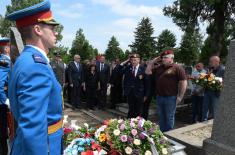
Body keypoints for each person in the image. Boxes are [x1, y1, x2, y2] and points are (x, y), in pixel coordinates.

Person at [6, 1, 63, 154]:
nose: (55, 33)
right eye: (51, 28)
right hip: (44, 146)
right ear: (38, 29)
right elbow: (33, 128)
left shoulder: (26, 59)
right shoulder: (35, 65)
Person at [145, 50, 187, 132]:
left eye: (165, 57)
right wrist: (151, 63)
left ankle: (169, 136)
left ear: (172, 58)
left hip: (170, 97)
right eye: (162, 58)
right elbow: (147, 72)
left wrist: (180, 97)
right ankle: (162, 134)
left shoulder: (177, 68)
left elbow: (183, 82)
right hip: (159, 97)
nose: (163, 59)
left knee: (169, 117)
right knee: (161, 116)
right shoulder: (159, 68)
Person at [122, 54, 148, 118]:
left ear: (139, 60)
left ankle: (138, 125)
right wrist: (125, 90)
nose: (133, 62)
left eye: (135, 60)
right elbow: (119, 71)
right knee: (131, 109)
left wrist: (146, 95)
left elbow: (147, 83)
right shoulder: (128, 68)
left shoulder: (143, 69)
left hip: (139, 94)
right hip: (130, 93)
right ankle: (129, 124)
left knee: (139, 111)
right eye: (132, 60)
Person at [202, 56, 225, 121]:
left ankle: (216, 123)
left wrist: (218, 81)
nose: (210, 63)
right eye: (210, 61)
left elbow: (224, 81)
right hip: (207, 91)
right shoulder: (210, 69)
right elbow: (206, 79)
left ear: (217, 62)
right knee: (205, 108)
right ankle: (203, 121)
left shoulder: (223, 70)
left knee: (215, 109)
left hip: (216, 93)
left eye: (211, 62)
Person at [0, 38, 11, 155]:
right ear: (7, 48)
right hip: (2, 104)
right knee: (3, 133)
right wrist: (5, 100)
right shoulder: (5, 62)